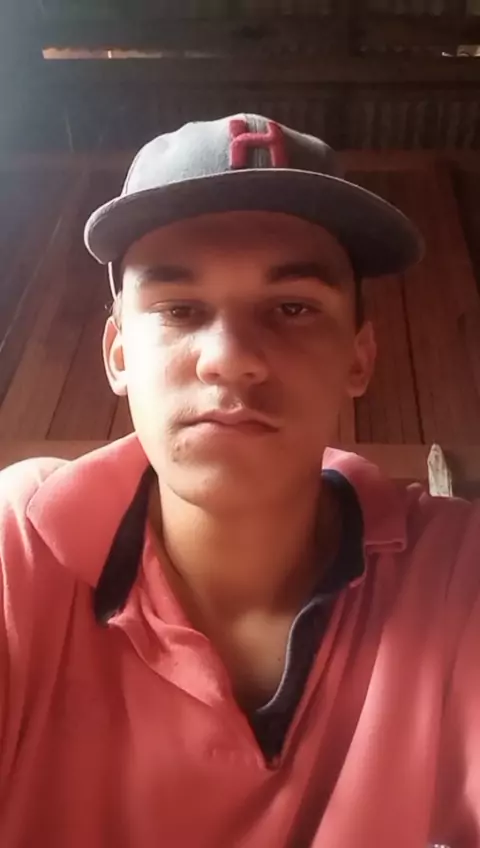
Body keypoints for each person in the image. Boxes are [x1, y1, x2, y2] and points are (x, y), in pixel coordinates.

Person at [0, 113, 478, 848]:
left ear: (359, 356)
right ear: (119, 355)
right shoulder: (20, 553)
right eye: (179, 309)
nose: (230, 358)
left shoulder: (455, 574)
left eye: (292, 308)